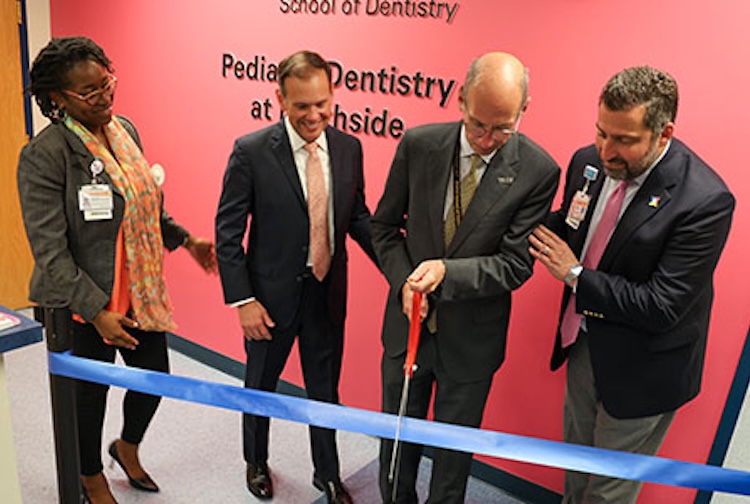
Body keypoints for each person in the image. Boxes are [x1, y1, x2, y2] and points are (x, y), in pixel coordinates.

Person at [16, 37, 217, 503]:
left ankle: (126, 447)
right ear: (57, 99)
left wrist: (185, 240)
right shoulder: (46, 156)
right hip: (82, 304)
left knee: (154, 381)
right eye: (88, 93)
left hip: (139, 294)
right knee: (89, 400)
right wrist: (97, 310)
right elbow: (51, 252)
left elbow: (143, 206)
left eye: (106, 83)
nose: (104, 97)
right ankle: (89, 478)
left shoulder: (124, 129)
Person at [529, 66, 735, 503]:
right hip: (584, 341)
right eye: (602, 132)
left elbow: (662, 305)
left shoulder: (705, 201)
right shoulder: (588, 161)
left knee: (608, 492)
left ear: (664, 134)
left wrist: (574, 275)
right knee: (576, 465)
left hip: (646, 366)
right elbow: (574, 225)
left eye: (623, 140)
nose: (606, 150)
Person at [372, 52, 560, 503]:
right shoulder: (418, 145)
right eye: (478, 124)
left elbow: (516, 264)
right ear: (460, 100)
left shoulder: (539, 171)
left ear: (524, 110)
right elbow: (383, 229)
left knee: (453, 466)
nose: (487, 139)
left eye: (503, 127)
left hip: (472, 342)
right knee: (395, 450)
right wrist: (405, 284)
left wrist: (445, 274)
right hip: (407, 331)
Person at [215, 50, 376, 504]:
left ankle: (326, 474)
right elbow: (228, 232)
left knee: (325, 390)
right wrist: (243, 300)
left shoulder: (349, 148)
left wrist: (397, 265)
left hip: (326, 293)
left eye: (322, 103)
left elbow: (358, 216)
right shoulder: (250, 152)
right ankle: (256, 461)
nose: (314, 115)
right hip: (268, 300)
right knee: (259, 388)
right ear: (280, 100)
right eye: (302, 105)